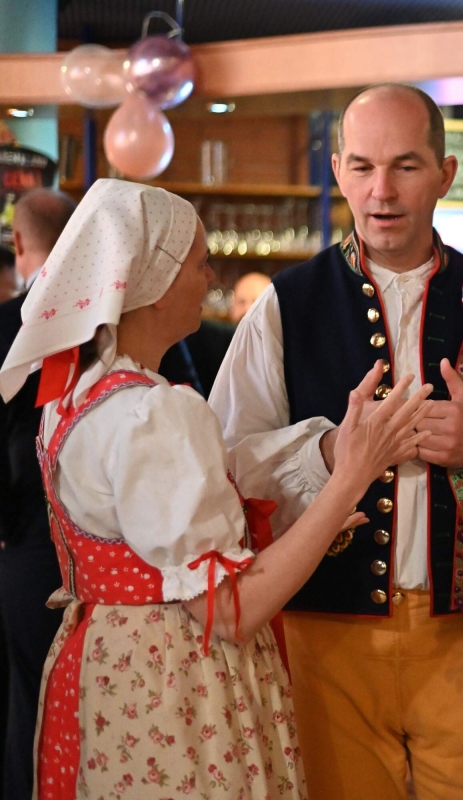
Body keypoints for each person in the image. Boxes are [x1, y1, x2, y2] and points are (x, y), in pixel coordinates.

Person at [0, 178, 431, 800]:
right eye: (198, 263)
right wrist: (351, 477)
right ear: (152, 284)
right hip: (171, 682)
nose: (209, 278)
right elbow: (230, 611)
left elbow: (149, 550)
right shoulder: (156, 413)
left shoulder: (70, 400)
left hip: (105, 663)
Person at [209, 83, 463, 800]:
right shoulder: (285, 304)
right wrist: (325, 455)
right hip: (322, 638)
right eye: (363, 166)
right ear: (338, 171)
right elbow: (225, 467)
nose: (382, 190)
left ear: (445, 173)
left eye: (405, 166)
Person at [0, 188, 76, 800]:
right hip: (112, 547)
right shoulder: (108, 317)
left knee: (29, 706)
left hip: (27, 538)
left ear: (20, 242)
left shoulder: (8, 323)